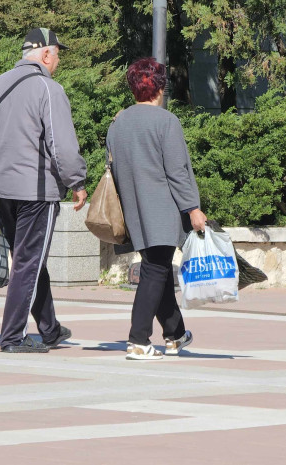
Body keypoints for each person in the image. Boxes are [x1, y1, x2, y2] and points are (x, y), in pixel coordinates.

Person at [0, 28, 88, 352]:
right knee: (28, 262)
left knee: (28, 259)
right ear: (46, 55)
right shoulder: (48, 89)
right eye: (57, 55)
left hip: (4, 192)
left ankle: (50, 329)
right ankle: (13, 337)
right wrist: (76, 182)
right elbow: (61, 145)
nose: (58, 62)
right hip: (37, 192)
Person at [106, 57, 207, 360]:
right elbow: (177, 171)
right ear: (160, 88)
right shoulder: (167, 122)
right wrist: (193, 208)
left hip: (133, 208)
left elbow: (114, 165)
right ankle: (138, 340)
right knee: (155, 270)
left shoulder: (118, 122)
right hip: (162, 208)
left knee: (158, 270)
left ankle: (175, 334)